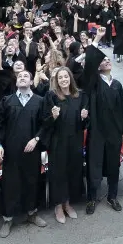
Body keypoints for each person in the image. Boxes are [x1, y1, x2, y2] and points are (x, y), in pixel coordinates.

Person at [0, 69, 48, 237]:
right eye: (20, 76)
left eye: (26, 76)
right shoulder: (7, 101)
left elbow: (46, 124)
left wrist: (36, 139)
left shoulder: (40, 101)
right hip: (11, 150)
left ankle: (32, 213)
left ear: (31, 82)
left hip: (32, 150)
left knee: (32, 181)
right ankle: (8, 219)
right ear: (16, 82)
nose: (22, 77)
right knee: (10, 185)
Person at [82, 26, 123, 214]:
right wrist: (97, 39)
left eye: (108, 59)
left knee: (113, 164)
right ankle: (91, 198)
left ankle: (112, 196)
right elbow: (88, 64)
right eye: (103, 60)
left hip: (114, 132)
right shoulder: (93, 82)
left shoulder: (117, 84)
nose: (106, 61)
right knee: (94, 165)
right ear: (98, 66)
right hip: (97, 131)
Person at [43, 67, 87, 224]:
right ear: (56, 80)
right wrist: (53, 116)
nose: (63, 80)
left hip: (75, 139)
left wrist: (84, 118)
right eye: (60, 77)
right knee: (58, 173)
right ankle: (58, 206)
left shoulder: (79, 95)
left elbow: (85, 123)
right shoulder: (52, 96)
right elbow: (45, 121)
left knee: (72, 171)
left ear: (70, 78)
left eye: (66, 77)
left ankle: (67, 203)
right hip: (58, 140)